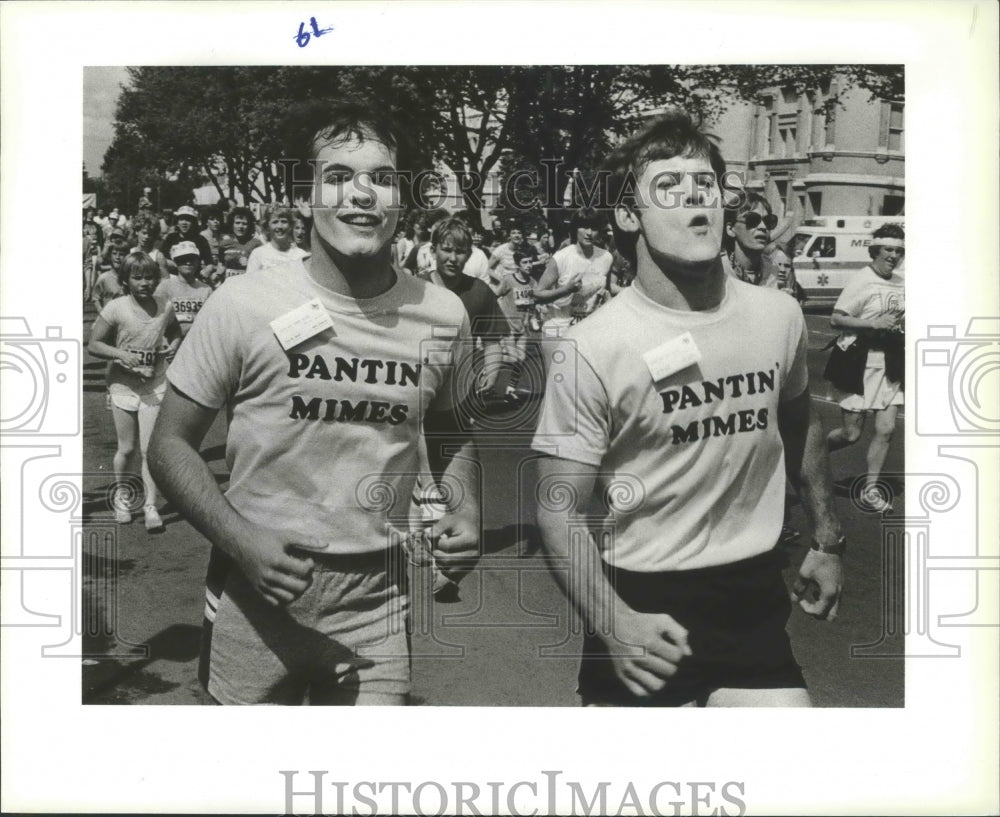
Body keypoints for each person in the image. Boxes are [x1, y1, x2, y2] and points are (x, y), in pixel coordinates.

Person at [147, 98, 480, 706]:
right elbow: (169, 444)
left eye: (382, 179)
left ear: (402, 198)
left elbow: (450, 423)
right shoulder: (245, 303)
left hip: (379, 593)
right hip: (257, 594)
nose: (361, 195)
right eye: (338, 177)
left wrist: (464, 504)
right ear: (305, 198)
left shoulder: (442, 312)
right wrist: (241, 541)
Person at [531, 111, 844, 708]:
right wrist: (612, 621)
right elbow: (558, 509)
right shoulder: (593, 346)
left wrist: (827, 539)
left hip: (752, 595)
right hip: (645, 598)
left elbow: (800, 425)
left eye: (707, 188)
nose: (697, 205)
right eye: (669, 190)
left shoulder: (778, 315)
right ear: (629, 216)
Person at [89, 251, 181, 532]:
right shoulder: (117, 307)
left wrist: (173, 346)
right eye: (137, 277)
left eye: (149, 277)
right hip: (123, 384)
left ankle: (151, 505)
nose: (144, 283)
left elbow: (175, 332)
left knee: (148, 449)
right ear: (126, 281)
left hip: (154, 383)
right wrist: (121, 355)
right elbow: (94, 344)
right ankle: (122, 497)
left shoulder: (165, 305)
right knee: (127, 448)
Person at [825, 224, 905, 513]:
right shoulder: (862, 280)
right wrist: (872, 323)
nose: (893, 256)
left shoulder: (901, 280)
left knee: (885, 429)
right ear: (875, 250)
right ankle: (813, 454)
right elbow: (836, 319)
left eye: (898, 251)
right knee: (851, 435)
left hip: (890, 363)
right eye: (888, 249)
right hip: (858, 362)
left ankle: (870, 490)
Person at [534, 207, 613, 337]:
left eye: (594, 228)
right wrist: (566, 290)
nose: (589, 233)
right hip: (559, 329)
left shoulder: (606, 257)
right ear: (575, 228)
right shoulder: (561, 257)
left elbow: (607, 290)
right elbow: (537, 294)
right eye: (584, 227)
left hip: (590, 330)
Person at [155, 241, 213, 340]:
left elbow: (210, 322)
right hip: (169, 340)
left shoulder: (206, 290)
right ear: (176, 261)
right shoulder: (165, 287)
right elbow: (156, 319)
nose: (188, 262)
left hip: (197, 341)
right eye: (183, 259)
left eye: (192, 259)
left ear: (197, 261)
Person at [721, 192, 778, 286]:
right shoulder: (718, 270)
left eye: (768, 221)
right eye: (752, 220)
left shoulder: (773, 269)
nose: (763, 227)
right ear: (731, 229)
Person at [245, 204, 310, 274]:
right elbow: (250, 283)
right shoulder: (258, 254)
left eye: (284, 221)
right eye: (275, 222)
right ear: (267, 227)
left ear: (291, 225)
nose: (279, 226)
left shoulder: (301, 255)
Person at [161, 205, 215, 282]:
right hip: (173, 277)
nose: (184, 223)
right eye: (181, 219)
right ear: (177, 222)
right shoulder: (171, 238)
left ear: (193, 222)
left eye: (188, 220)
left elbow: (209, 263)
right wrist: (179, 265)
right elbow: (162, 259)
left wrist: (207, 270)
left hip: (194, 278)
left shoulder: (200, 240)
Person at [217, 206, 263, 285]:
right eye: (237, 223)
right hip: (228, 285)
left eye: (244, 224)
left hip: (248, 285)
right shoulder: (224, 243)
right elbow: (221, 263)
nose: (240, 226)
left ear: (249, 226)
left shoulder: (257, 244)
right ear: (232, 224)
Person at [130, 212, 171, 280]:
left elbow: (166, 281)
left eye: (150, 234)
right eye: (144, 233)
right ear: (137, 231)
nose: (146, 237)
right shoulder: (130, 253)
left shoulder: (158, 256)